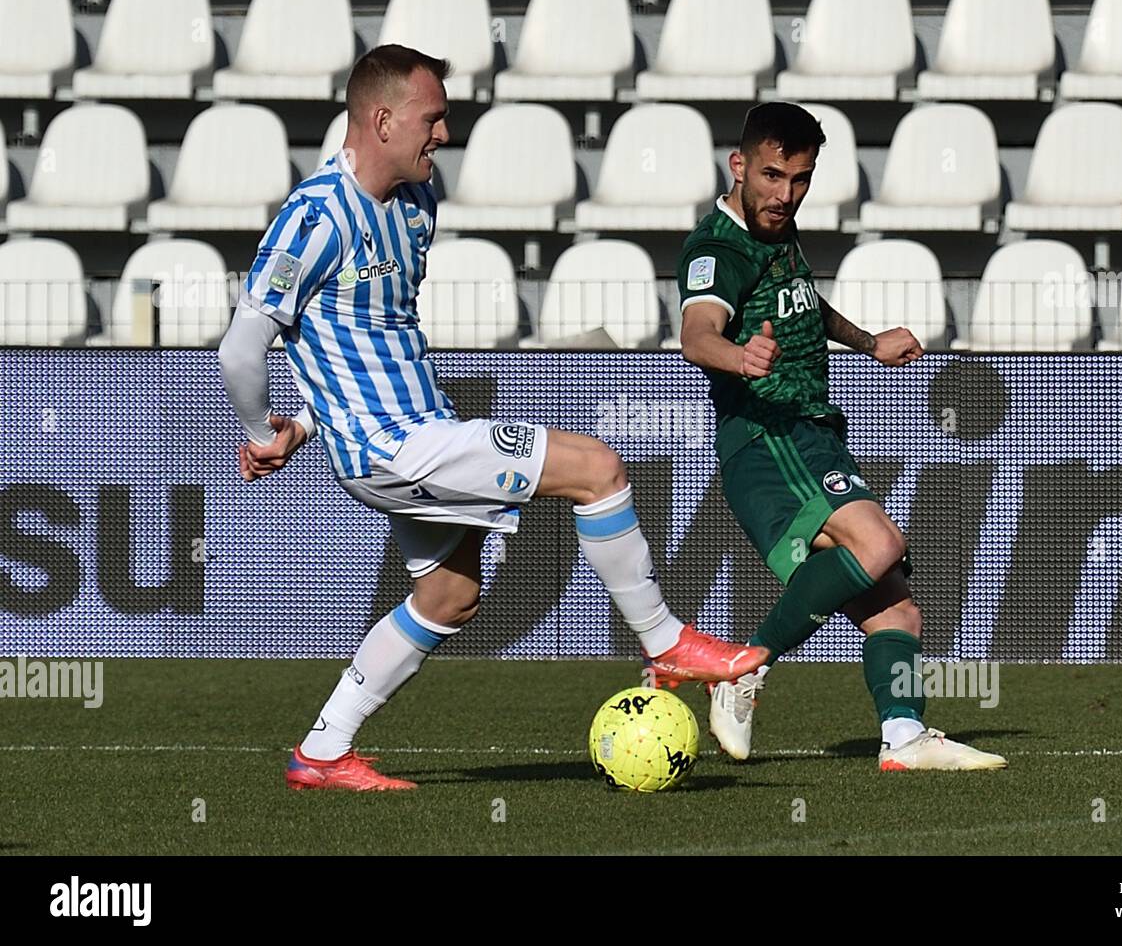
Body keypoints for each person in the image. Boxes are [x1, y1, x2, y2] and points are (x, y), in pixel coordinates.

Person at [218, 45, 768, 792]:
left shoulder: (417, 201)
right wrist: (260, 434)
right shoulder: (314, 218)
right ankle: (666, 643)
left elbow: (358, 336)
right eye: (432, 117)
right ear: (382, 121)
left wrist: (307, 425)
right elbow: (242, 347)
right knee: (598, 470)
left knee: (450, 595)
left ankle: (322, 752)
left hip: (413, 426)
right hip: (393, 447)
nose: (444, 132)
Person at [675, 102, 1006, 771]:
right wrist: (736, 357)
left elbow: (802, 301)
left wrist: (867, 341)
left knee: (898, 615)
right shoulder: (720, 248)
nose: (784, 193)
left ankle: (904, 737)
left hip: (808, 435)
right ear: (739, 166)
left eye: (799, 179)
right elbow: (697, 332)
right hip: (770, 437)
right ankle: (743, 666)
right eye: (771, 175)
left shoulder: (777, 235)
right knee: (880, 542)